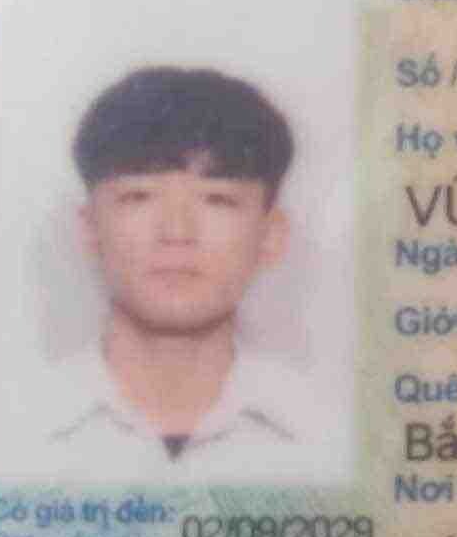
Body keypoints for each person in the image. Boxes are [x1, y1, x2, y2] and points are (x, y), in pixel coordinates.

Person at [34, 66, 332, 482]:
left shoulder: (329, 438)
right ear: (89, 230)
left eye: (217, 200)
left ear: (271, 236)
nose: (176, 232)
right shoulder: (16, 429)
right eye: (138, 196)